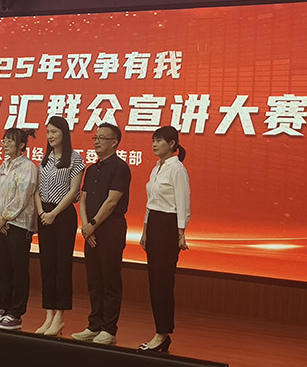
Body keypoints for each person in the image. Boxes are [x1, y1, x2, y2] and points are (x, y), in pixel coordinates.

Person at [71, 123, 131, 345]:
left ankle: (109, 329)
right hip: (91, 230)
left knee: (110, 280)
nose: (96, 141)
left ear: (114, 142)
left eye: (102, 138)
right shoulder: (91, 169)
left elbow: (112, 201)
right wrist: (86, 226)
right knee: (94, 280)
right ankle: (94, 325)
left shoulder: (120, 167)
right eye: (95, 138)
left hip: (110, 229)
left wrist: (93, 225)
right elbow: (83, 199)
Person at [138, 125, 190, 353]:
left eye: (159, 140)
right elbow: (151, 203)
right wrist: (145, 231)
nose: (154, 144)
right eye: (153, 140)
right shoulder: (156, 167)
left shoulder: (177, 169)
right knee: (154, 281)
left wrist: (181, 233)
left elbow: (183, 203)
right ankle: (161, 333)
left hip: (168, 227)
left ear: (172, 144)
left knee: (163, 282)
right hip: (155, 225)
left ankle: (162, 333)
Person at [33, 116, 85, 336]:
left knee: (62, 266)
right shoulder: (44, 159)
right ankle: (48, 315)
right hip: (44, 214)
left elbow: (74, 191)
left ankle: (60, 317)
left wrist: (53, 213)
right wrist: (41, 213)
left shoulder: (75, 158)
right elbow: (36, 190)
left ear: (64, 133)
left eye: (54, 131)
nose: (50, 136)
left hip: (62, 215)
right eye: (48, 132)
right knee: (47, 266)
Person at [0, 128, 38, 331]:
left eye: (10, 141)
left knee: (19, 270)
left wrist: (4, 217)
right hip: (0, 227)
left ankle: (16, 312)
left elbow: (22, 197)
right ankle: (3, 307)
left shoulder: (28, 167)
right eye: (4, 140)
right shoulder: (1, 168)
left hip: (19, 225)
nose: (5, 144)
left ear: (21, 145)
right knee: (3, 269)